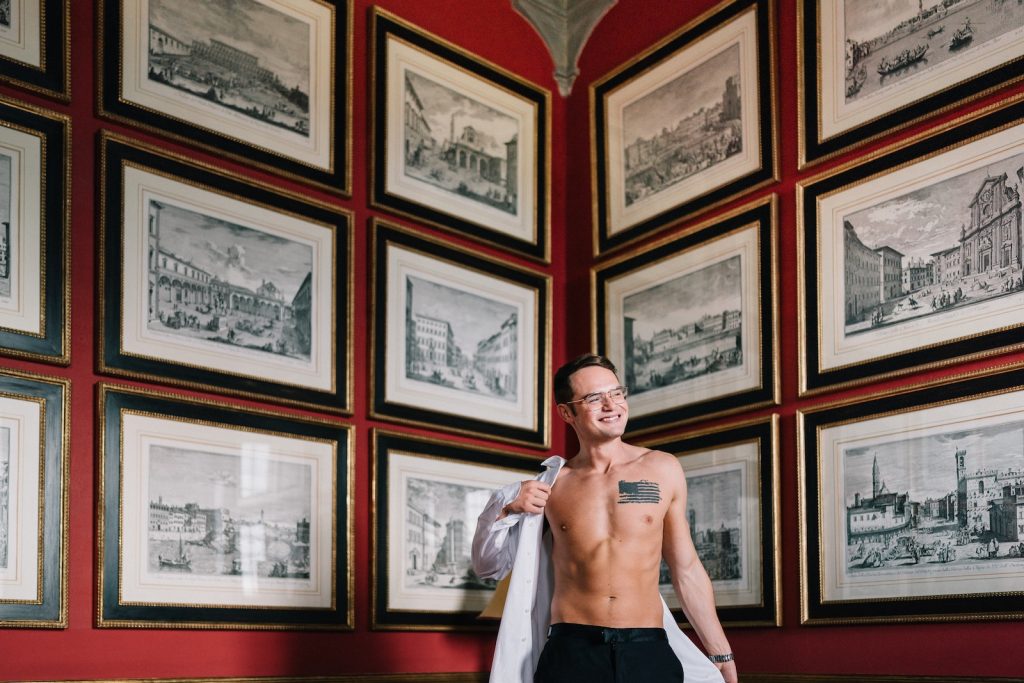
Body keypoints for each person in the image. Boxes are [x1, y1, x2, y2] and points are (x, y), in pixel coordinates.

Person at [472, 354, 736, 683]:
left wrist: (720, 651)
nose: (611, 405)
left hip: (647, 649)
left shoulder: (662, 469)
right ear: (566, 412)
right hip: (571, 650)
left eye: (617, 393)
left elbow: (687, 570)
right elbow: (487, 566)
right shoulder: (551, 485)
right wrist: (507, 508)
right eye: (594, 398)